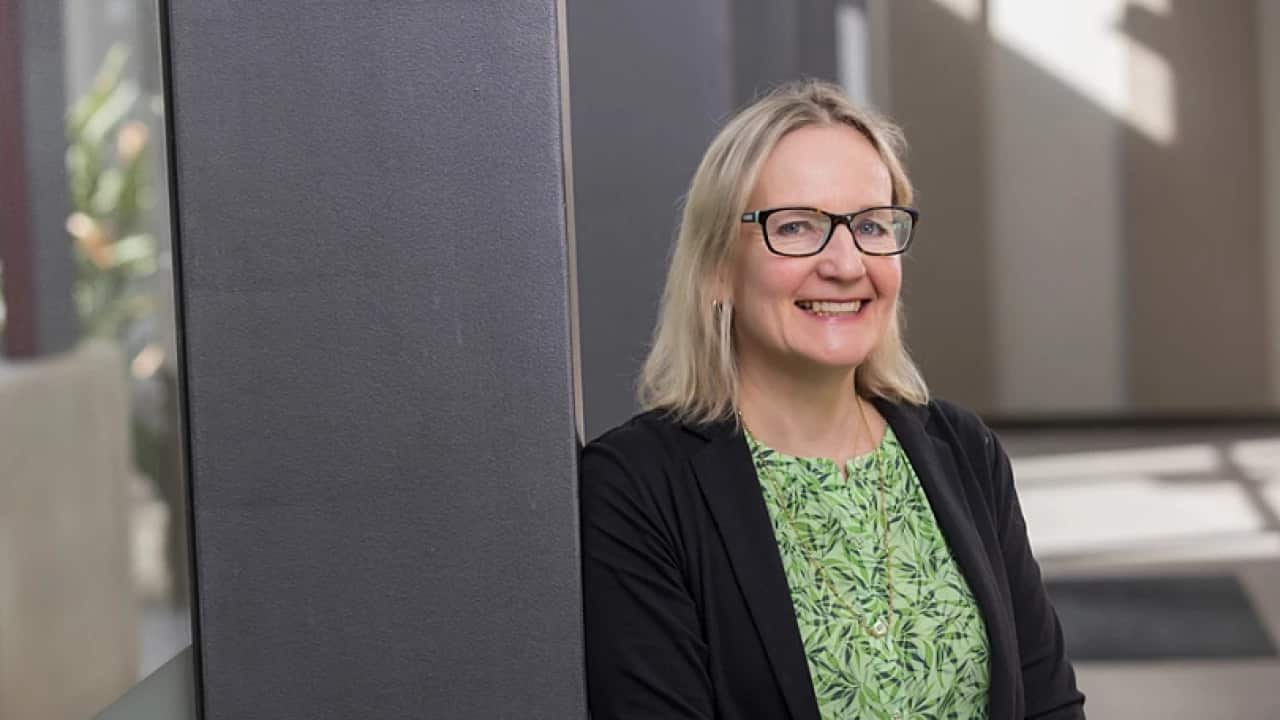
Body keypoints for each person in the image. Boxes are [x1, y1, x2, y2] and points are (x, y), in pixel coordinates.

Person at [579, 79, 1086, 720]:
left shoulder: (963, 451)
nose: (846, 264)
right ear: (717, 267)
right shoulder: (635, 489)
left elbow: (1046, 703)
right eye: (796, 226)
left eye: (872, 225)